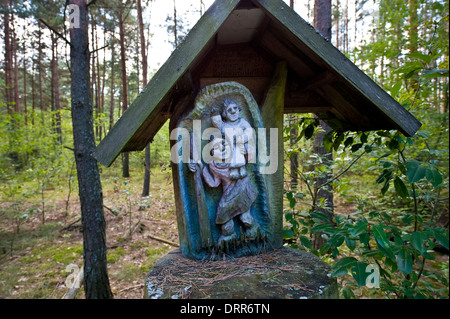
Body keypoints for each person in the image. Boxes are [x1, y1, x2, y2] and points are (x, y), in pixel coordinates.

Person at [210, 98, 253, 180]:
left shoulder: (242, 122)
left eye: (235, 108)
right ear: (225, 114)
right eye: (229, 110)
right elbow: (217, 123)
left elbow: (249, 131)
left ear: (238, 109)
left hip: (240, 144)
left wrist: (242, 138)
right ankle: (233, 169)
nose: (233, 111)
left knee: (239, 151)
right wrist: (215, 115)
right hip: (229, 147)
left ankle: (242, 167)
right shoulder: (224, 125)